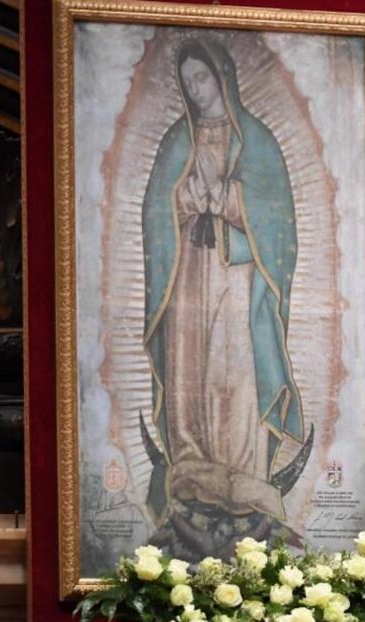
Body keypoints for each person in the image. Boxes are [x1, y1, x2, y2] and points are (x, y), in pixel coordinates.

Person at [141, 38, 304, 554]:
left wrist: (231, 200)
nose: (195, 89)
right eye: (187, 82)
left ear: (223, 78)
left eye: (202, 79)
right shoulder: (175, 141)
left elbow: (277, 220)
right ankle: (191, 466)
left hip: (237, 279)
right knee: (192, 367)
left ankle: (242, 473)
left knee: (234, 368)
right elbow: (155, 212)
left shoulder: (255, 141)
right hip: (189, 274)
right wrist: (188, 198)